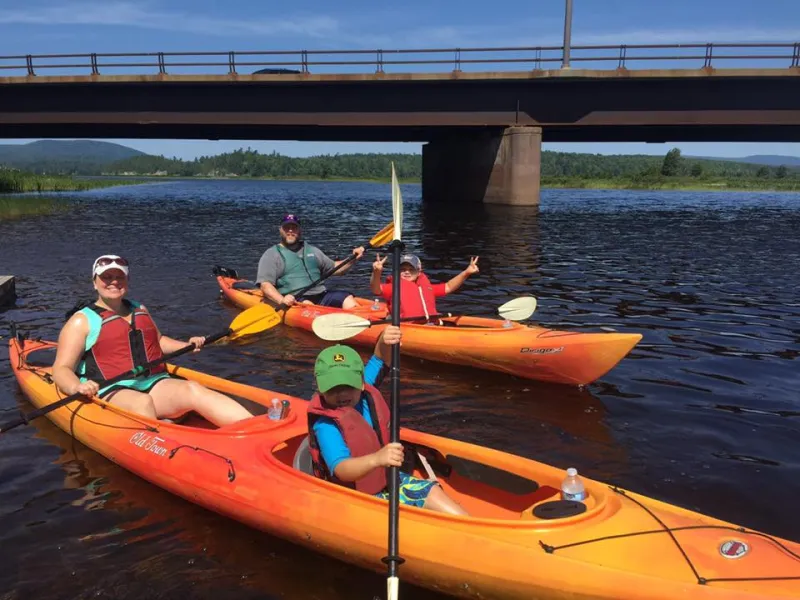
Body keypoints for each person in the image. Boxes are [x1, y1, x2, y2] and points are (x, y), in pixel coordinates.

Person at [52, 255, 254, 427]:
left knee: (192, 389)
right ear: (94, 282)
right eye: (106, 277)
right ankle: (170, 446)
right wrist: (76, 387)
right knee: (143, 403)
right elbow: (61, 369)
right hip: (109, 389)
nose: (114, 282)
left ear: (127, 280)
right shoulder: (81, 321)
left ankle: (254, 428)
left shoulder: (139, 308)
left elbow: (158, 341)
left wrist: (186, 346)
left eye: (119, 277)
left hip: (151, 382)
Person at [306, 325, 468, 515]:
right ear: (319, 388)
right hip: (356, 496)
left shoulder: (364, 390)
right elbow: (341, 469)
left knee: (433, 493)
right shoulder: (326, 425)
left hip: (386, 478)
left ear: (360, 382)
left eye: (348, 386)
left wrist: (384, 338)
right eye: (332, 388)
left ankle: (469, 528)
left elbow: (380, 358)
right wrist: (377, 459)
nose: (341, 394)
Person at [256, 214, 365, 310]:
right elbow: (265, 285)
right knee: (309, 305)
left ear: (299, 230)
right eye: (286, 228)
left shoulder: (312, 250)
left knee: (347, 298)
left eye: (294, 227)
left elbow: (336, 269)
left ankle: (365, 325)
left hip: (321, 295)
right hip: (296, 299)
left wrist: (353, 258)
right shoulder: (271, 254)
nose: (290, 231)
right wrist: (281, 300)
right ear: (280, 230)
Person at [370, 253, 480, 320]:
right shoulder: (394, 287)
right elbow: (376, 289)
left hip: (429, 324)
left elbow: (448, 287)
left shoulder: (426, 287)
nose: (406, 272)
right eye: (402, 269)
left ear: (418, 272)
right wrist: (376, 273)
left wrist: (466, 272)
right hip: (407, 328)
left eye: (411, 269)